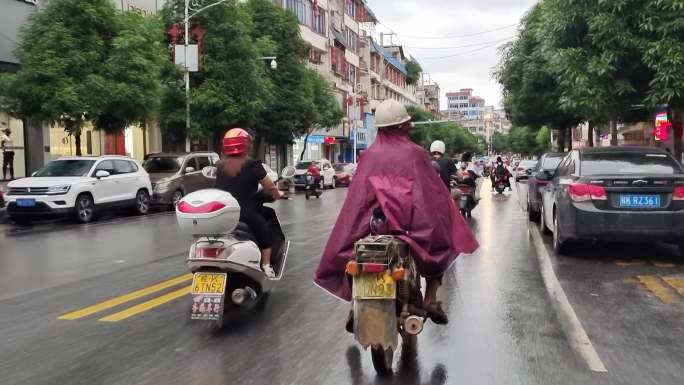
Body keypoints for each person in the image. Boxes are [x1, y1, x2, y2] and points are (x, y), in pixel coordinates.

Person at [314, 99, 479, 326]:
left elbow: (357, 201)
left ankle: (356, 304)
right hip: (410, 228)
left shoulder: (368, 155)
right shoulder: (416, 154)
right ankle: (430, 299)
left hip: (371, 227)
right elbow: (432, 197)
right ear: (405, 126)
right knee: (443, 240)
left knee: (355, 252)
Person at [215, 128, 283, 278]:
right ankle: (266, 265)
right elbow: (269, 186)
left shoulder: (220, 166)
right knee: (264, 233)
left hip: (225, 214)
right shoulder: (252, 164)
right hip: (246, 212)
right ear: (246, 146)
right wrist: (278, 194)